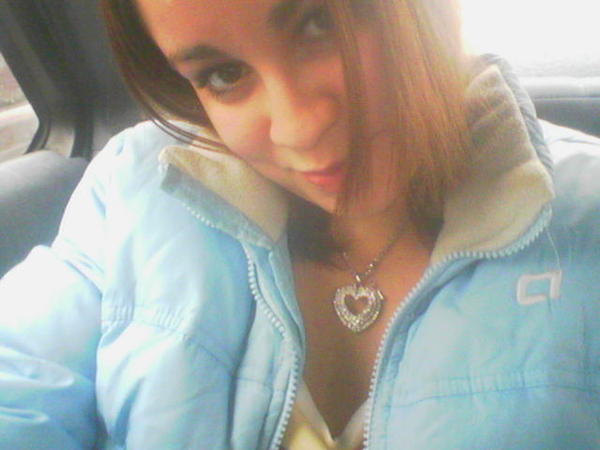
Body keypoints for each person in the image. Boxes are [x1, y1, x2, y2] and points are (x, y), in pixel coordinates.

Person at [1, 0, 600, 448]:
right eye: (223, 74)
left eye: (321, 23)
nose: (299, 128)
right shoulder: (135, 186)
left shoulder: (587, 220)